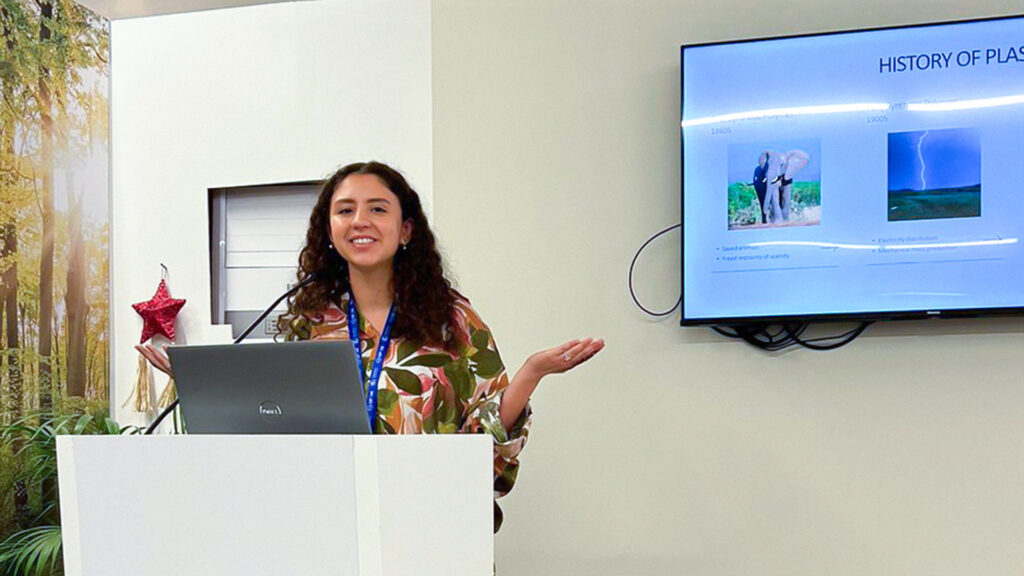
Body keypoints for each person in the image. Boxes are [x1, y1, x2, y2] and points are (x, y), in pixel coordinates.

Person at [138, 161, 604, 531]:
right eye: (345, 210)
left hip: (430, 527)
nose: (360, 220)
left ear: (406, 230)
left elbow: (485, 437)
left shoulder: (453, 319)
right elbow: (276, 427)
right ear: (330, 230)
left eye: (378, 208)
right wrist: (210, 387)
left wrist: (529, 374)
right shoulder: (309, 322)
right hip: (328, 529)